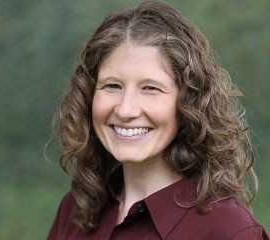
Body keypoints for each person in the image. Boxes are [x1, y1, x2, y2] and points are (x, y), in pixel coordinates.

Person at [47, 0, 269, 239]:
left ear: (188, 102)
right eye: (112, 86)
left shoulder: (228, 229)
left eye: (150, 88)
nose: (126, 109)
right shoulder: (76, 209)